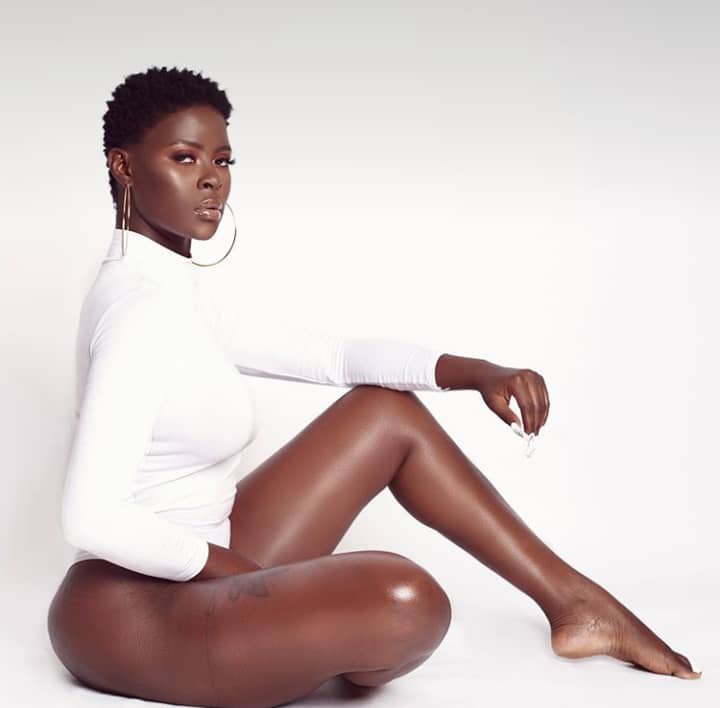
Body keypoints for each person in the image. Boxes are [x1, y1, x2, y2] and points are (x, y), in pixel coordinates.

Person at [46, 65, 701, 708]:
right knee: (406, 601)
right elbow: (90, 517)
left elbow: (331, 357)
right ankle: (296, 647)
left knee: (385, 413)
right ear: (124, 167)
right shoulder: (139, 313)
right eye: (185, 158)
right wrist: (245, 576)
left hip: (202, 568)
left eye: (223, 160)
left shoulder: (173, 289)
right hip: (132, 617)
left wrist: (475, 372)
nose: (212, 178)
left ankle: (578, 605)